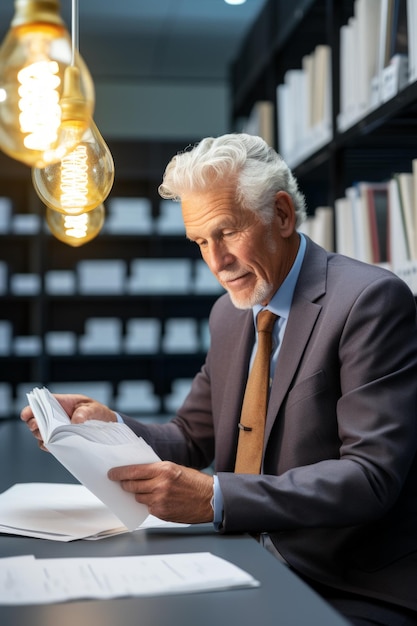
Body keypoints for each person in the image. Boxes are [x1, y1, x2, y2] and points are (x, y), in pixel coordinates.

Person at [21, 134, 417, 625]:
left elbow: (370, 477)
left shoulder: (369, 301)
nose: (216, 261)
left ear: (283, 215)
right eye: (200, 242)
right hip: (245, 556)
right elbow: (189, 437)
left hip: (344, 583)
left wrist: (214, 498)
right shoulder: (230, 316)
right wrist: (104, 426)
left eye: (226, 232)